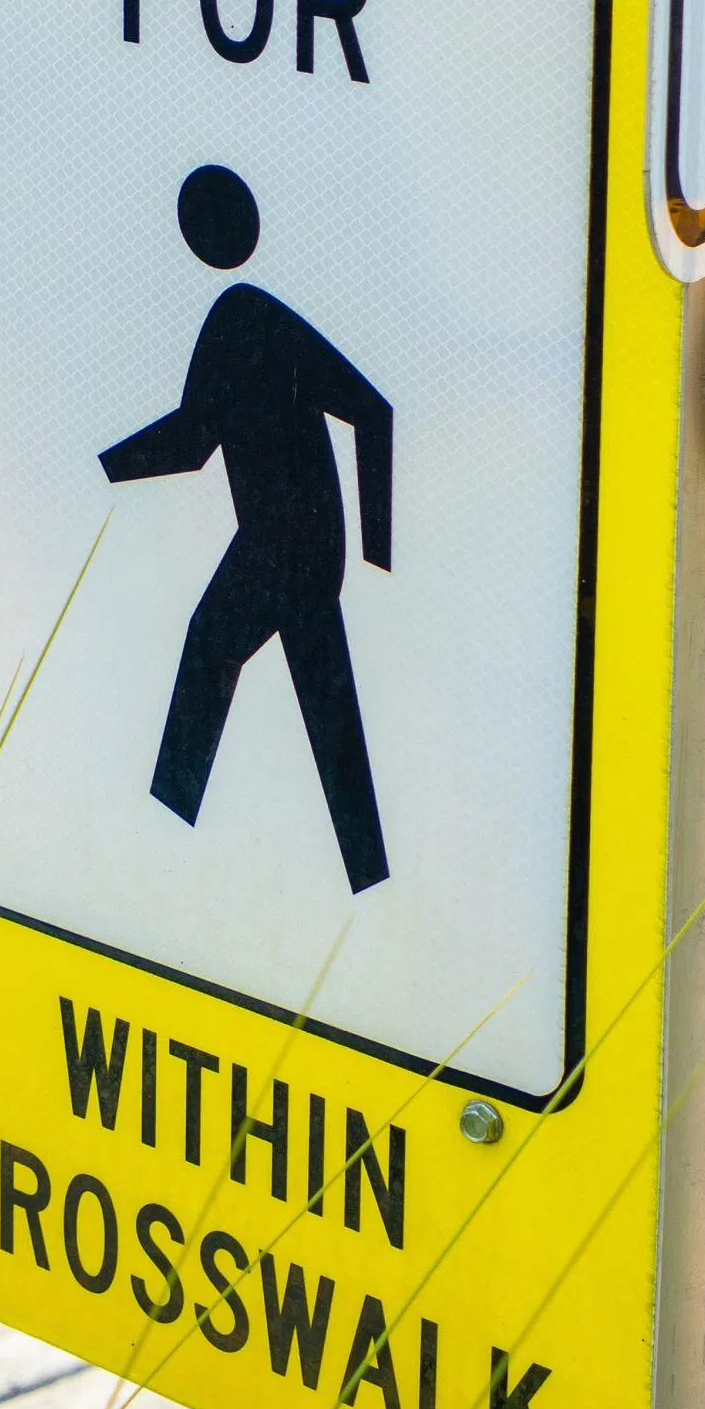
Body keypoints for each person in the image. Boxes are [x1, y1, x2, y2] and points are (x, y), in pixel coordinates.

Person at [100, 166, 399, 891]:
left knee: (213, 645)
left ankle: (164, 834)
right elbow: (197, 441)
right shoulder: (244, 318)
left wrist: (379, 546)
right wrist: (109, 463)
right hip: (299, 545)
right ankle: (368, 873)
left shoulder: (243, 317)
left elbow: (371, 410)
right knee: (323, 702)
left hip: (283, 543)